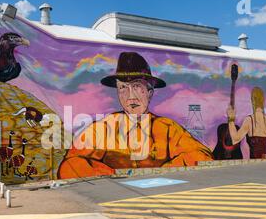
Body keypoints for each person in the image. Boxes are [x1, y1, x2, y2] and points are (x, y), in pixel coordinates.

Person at [57, 52, 213, 179]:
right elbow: (71, 164)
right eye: (123, 88)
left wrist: (161, 174)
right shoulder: (102, 128)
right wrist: (112, 178)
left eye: (137, 87)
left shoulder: (167, 128)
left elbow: (201, 156)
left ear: (150, 92)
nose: (130, 96)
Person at [227, 86, 266, 159]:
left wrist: (231, 120)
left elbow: (235, 139)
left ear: (252, 101)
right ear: (263, 101)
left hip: (255, 163)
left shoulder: (249, 120)